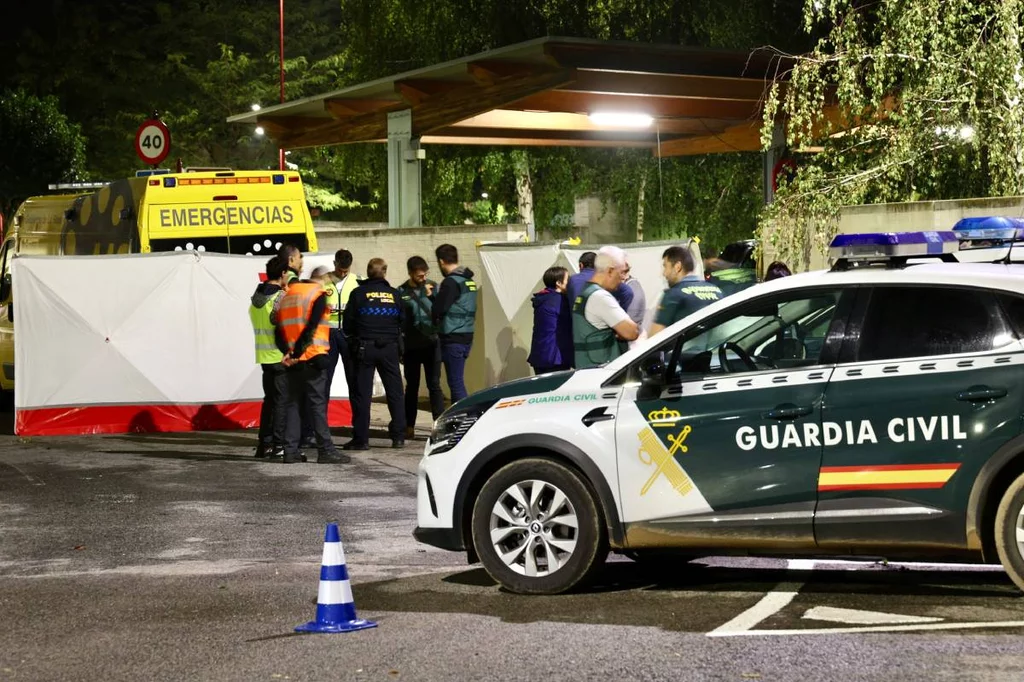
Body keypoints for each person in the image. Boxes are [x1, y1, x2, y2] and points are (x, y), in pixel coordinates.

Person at [274, 275, 348, 464]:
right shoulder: (317, 294)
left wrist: (288, 353)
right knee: (317, 405)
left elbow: (278, 329)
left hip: (294, 361)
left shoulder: (287, 296)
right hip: (314, 357)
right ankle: (326, 450)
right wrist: (298, 351)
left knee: (293, 404)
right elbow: (312, 325)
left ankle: (290, 451)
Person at [343, 257, 406, 450]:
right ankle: (398, 437)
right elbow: (403, 321)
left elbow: (348, 324)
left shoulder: (358, 294)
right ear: (384, 273)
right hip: (389, 348)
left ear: (368, 273)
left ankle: (361, 439)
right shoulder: (395, 295)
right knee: (395, 392)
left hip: (365, 348)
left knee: (362, 394)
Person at [398, 256, 445, 439]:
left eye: (425, 274)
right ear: (410, 273)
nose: (423, 278)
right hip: (411, 345)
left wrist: (431, 296)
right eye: (419, 276)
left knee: (434, 385)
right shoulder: (401, 291)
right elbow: (399, 320)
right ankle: (409, 426)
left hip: (432, 343)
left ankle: (440, 426)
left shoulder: (434, 287)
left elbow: (442, 311)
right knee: (412, 387)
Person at [571, 246, 639, 369]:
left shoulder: (586, 293)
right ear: (610, 271)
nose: (624, 278)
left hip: (587, 371)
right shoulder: (600, 297)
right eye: (622, 272)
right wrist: (619, 331)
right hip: (601, 376)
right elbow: (632, 332)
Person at [249, 255, 290, 460]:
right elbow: (285, 328)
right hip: (280, 356)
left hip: (263, 356)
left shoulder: (256, 298)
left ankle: (263, 444)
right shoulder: (280, 298)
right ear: (283, 274)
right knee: (281, 402)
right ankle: (279, 445)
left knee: (269, 401)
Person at [432, 244, 478, 405]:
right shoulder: (468, 280)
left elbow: (439, 309)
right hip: (467, 335)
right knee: (457, 380)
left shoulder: (451, 282)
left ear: (441, 261)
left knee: (456, 383)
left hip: (453, 337)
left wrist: (434, 296)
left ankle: (464, 420)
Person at [649, 245, 724, 338]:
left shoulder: (673, 294)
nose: (663, 273)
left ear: (677, 267)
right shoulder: (716, 291)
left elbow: (654, 337)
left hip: (685, 352)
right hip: (717, 350)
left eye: (665, 266)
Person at [323, 250, 361, 404]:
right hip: (328, 334)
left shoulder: (359, 281)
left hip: (348, 334)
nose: (343, 273)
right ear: (334, 264)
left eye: (346, 270)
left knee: (354, 379)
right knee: (325, 379)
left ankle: (357, 423)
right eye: (340, 270)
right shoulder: (323, 281)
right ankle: (320, 425)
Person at [527, 266, 573, 375]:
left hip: (540, 355)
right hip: (555, 357)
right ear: (559, 283)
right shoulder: (559, 301)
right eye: (568, 279)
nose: (571, 283)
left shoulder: (543, 298)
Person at [566, 250, 634, 314]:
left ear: (581, 265)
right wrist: (620, 313)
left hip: (578, 323)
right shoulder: (605, 278)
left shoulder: (573, 280)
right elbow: (628, 292)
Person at [622, 261, 647, 349]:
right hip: (635, 336)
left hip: (634, 340)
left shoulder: (632, 289)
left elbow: (632, 320)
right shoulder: (631, 285)